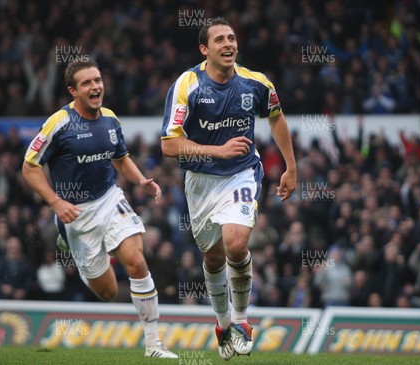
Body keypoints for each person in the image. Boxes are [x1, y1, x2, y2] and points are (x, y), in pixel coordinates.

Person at [160, 17, 296, 360]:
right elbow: (169, 145)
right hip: (200, 182)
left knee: (236, 244)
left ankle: (241, 321)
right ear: (205, 50)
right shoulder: (188, 84)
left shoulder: (256, 84)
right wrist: (216, 150)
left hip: (241, 173)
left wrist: (291, 167)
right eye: (219, 39)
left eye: (232, 38)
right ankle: (222, 325)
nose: (228, 44)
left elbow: (276, 117)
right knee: (213, 256)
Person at [22, 59, 177, 359]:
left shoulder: (110, 119)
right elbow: (29, 168)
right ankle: (68, 242)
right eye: (87, 83)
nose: (96, 87)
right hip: (76, 215)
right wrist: (56, 202)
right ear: (73, 91)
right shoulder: (59, 123)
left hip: (109, 199)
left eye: (98, 80)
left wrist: (141, 179)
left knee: (136, 261)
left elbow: (120, 159)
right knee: (106, 292)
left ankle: (153, 343)